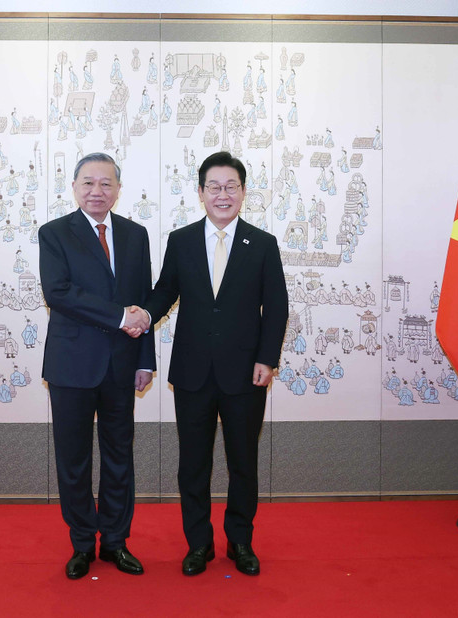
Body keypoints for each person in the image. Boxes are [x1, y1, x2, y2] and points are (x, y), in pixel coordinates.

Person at [134, 151, 288, 577]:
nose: (223, 195)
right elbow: (165, 291)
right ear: (201, 192)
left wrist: (267, 359)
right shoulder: (181, 241)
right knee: (194, 464)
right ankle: (198, 544)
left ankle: (240, 541)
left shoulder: (262, 244)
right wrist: (143, 315)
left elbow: (276, 308)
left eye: (231, 187)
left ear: (243, 192)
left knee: (243, 463)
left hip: (246, 374)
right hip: (192, 374)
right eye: (214, 187)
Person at [39, 152, 155, 580]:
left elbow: (143, 298)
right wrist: (121, 317)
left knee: (119, 457)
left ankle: (116, 542)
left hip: (123, 366)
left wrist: (145, 358)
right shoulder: (54, 233)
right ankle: (82, 543)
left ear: (118, 190)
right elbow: (59, 292)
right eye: (88, 183)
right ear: (74, 187)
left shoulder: (135, 235)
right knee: (73, 460)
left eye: (106, 184)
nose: (97, 191)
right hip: (71, 366)